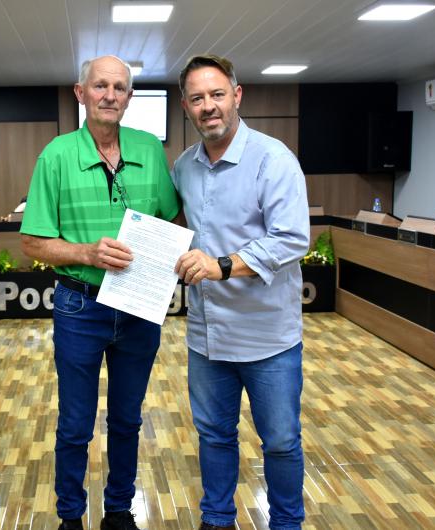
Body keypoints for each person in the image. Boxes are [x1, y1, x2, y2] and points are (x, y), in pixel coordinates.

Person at [19, 55, 180, 530]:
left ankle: (118, 511)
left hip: (138, 305)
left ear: (129, 97)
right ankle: (70, 516)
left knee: (128, 420)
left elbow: (171, 218)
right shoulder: (55, 156)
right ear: (80, 92)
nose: (110, 95)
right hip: (79, 306)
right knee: (75, 423)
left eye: (119, 87)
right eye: (100, 86)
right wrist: (87, 253)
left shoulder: (150, 149)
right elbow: (32, 243)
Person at [171, 55, 310, 530]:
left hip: (268, 339)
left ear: (237, 96)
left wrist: (222, 265)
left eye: (217, 94)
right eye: (197, 98)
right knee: (214, 436)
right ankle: (217, 519)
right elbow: (176, 229)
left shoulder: (273, 159)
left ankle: (286, 524)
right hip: (207, 338)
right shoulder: (183, 167)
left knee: (281, 442)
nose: (208, 106)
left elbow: (291, 239)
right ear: (186, 107)